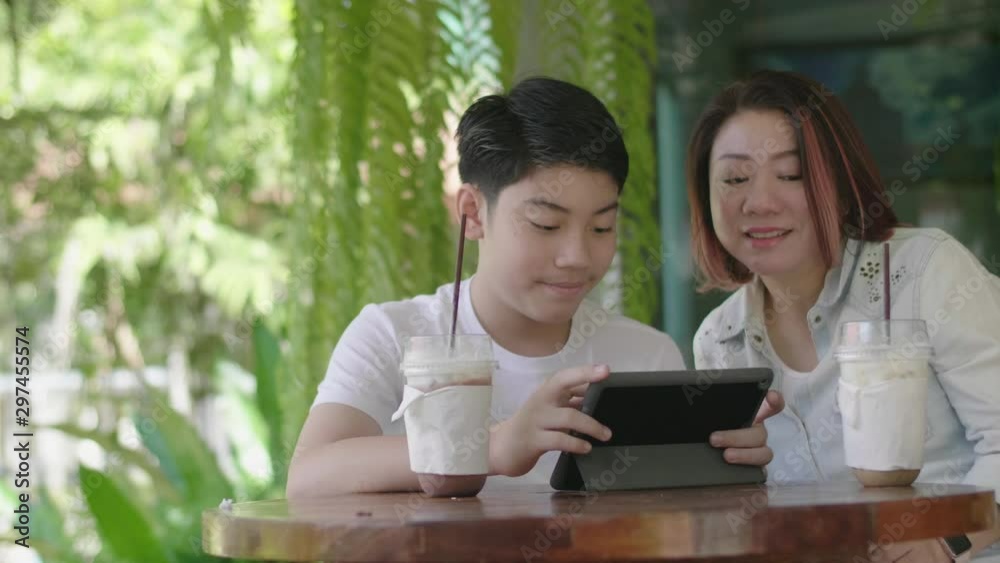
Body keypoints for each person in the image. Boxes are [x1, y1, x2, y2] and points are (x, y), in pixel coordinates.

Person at [287, 77, 781, 498]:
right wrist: (493, 448)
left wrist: (721, 467)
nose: (577, 256)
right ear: (473, 213)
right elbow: (308, 477)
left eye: (602, 227)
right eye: (546, 225)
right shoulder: (395, 334)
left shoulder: (643, 357)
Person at [689, 69, 1000, 562]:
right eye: (734, 179)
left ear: (837, 181)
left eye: (791, 175)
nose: (760, 202)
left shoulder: (924, 271)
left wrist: (946, 543)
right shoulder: (718, 341)